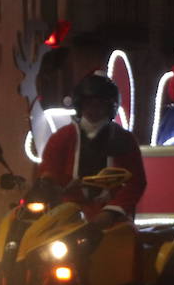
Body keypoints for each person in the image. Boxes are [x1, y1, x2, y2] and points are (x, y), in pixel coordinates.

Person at [37, 73, 147, 227]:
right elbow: (49, 169)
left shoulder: (124, 139)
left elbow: (136, 182)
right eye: (89, 104)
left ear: (110, 107)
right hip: (68, 212)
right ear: (80, 105)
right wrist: (48, 182)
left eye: (100, 104)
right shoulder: (62, 137)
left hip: (112, 216)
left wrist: (111, 211)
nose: (94, 110)